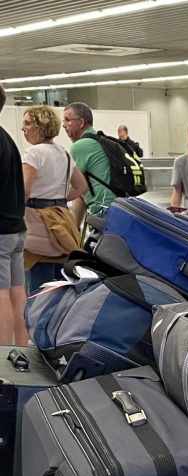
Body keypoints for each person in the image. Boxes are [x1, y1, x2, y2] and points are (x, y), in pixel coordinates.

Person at [20, 104, 88, 292]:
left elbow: (24, 191)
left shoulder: (33, 153)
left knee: (36, 287)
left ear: (40, 126)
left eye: (27, 123)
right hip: (62, 221)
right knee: (59, 286)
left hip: (37, 223)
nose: (23, 128)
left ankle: (35, 321)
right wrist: (57, 199)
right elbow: (81, 186)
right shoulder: (64, 153)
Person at [0, 86, 28, 347]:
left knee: (0, 296)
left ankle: (2, 360)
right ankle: (22, 351)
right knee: (17, 292)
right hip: (16, 229)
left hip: (0, 233)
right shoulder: (7, 139)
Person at [63, 102, 116, 218]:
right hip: (118, 208)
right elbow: (80, 193)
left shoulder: (80, 146)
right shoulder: (100, 141)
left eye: (67, 120)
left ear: (81, 123)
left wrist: (48, 200)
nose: (64, 125)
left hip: (104, 210)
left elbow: (74, 188)